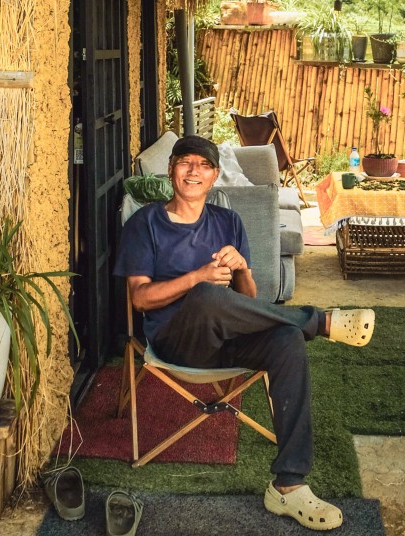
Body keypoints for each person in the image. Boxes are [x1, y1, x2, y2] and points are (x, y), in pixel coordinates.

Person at [114, 135, 374, 531]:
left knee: (285, 341)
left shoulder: (228, 221)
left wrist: (241, 270)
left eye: (203, 165)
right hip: (175, 341)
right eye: (185, 163)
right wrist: (197, 277)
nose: (193, 172)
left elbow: (249, 298)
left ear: (215, 175)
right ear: (171, 170)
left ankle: (288, 485)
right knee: (204, 294)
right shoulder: (145, 224)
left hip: (227, 340)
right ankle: (318, 322)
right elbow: (140, 299)